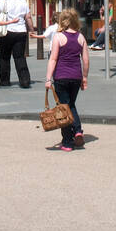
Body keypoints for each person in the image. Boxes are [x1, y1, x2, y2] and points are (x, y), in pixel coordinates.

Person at [45, 8, 89, 151]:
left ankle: (67, 141)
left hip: (61, 76)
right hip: (76, 76)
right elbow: (86, 60)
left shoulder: (58, 37)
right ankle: (77, 130)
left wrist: (48, 78)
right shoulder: (80, 37)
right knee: (71, 105)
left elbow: (53, 59)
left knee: (63, 109)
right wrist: (84, 77)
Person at [0, 0, 31, 88]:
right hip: (20, 31)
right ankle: (25, 80)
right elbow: (28, 17)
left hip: (6, 32)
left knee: (4, 57)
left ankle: (4, 80)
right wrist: (31, 29)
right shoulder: (23, 2)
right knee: (19, 57)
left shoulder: (3, 1)